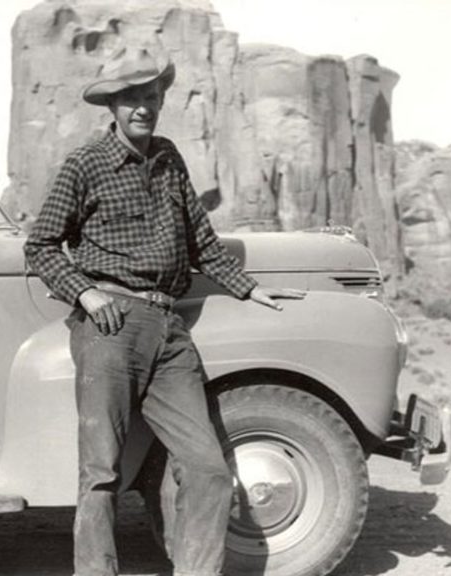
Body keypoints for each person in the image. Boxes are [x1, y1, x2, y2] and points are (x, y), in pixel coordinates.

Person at [24, 44, 305, 576]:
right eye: (131, 97)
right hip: (110, 326)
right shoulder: (86, 164)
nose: (142, 107)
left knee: (208, 470)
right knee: (101, 472)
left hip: (169, 331)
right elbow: (40, 246)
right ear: (111, 104)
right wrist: (84, 292)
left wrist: (249, 290)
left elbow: (202, 239)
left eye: (150, 96)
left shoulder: (170, 158)